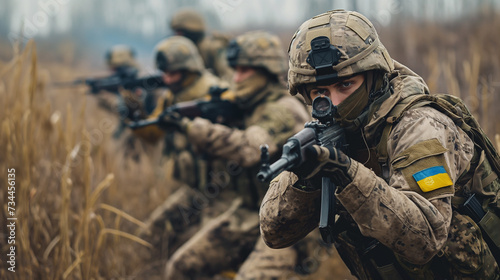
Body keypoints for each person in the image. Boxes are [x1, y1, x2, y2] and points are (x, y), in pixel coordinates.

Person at [259, 9, 500, 279]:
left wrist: (347, 173)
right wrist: (304, 181)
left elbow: (426, 239)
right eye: (319, 93)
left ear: (374, 76)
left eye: (346, 85)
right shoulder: (329, 131)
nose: (334, 103)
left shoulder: (420, 126)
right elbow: (274, 232)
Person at [160, 31, 317, 279]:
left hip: (288, 221)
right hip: (247, 213)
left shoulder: (284, 109)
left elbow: (248, 149)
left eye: (244, 70)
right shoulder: (245, 107)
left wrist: (195, 129)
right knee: (181, 268)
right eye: (234, 70)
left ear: (265, 71)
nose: (236, 78)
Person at [139, 35, 231, 257]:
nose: (167, 79)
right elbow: (151, 134)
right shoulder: (172, 95)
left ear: (189, 69)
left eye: (173, 73)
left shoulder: (215, 91)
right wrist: (134, 111)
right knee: (151, 233)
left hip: (223, 190)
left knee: (212, 255)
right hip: (194, 186)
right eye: (165, 74)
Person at [170, 8, 233, 81]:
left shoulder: (213, 48)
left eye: (180, 32)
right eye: (176, 32)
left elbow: (229, 76)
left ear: (193, 30)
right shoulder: (183, 53)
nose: (177, 37)